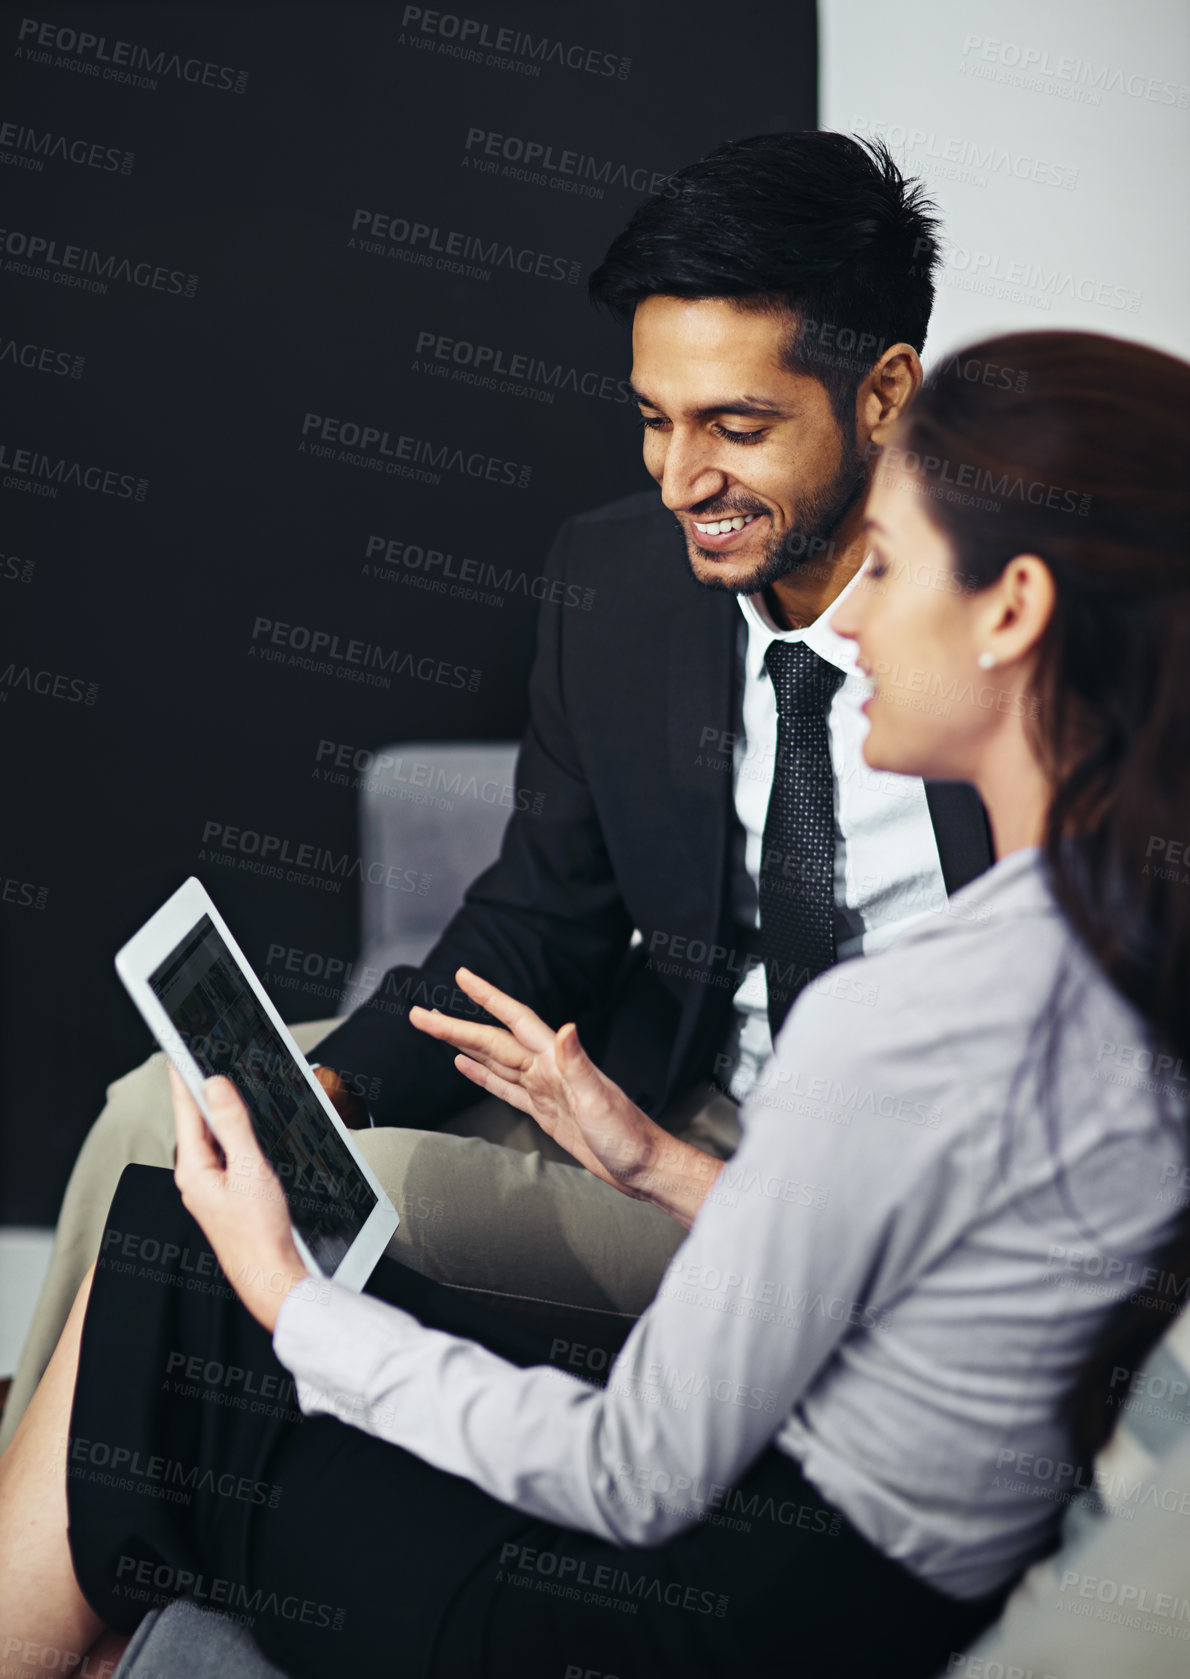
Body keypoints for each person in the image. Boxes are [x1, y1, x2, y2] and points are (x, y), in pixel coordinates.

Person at [2, 329, 1187, 1679]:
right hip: (843, 1580)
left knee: (201, 1282)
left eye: (889, 565)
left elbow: (631, 1480)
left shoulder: (908, 1010)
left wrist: (286, 1297)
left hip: (684, 1617)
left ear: (1013, 608)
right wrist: (659, 1164)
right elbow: (954, 1274)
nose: (846, 615)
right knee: (171, 1251)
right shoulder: (1115, 946)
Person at [0, 130, 993, 1451]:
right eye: (653, 418)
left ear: (881, 396)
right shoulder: (620, 586)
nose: (679, 481)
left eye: (736, 427)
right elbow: (545, 920)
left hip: (871, 1189)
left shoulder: (1018, 631)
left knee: (342, 1197)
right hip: (669, 1092)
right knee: (158, 1111)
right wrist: (339, 1087)